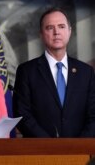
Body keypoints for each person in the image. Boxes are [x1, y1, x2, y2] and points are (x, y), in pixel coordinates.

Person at [13, 7, 95, 137]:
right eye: (50, 28)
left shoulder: (86, 73)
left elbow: (93, 115)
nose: (56, 32)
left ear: (69, 31)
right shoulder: (27, 71)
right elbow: (22, 115)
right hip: (41, 152)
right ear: (41, 34)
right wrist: (50, 145)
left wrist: (78, 146)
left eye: (62, 26)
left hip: (81, 153)